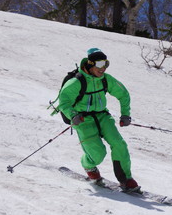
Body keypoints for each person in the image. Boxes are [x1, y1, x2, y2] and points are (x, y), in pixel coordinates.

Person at [57, 48, 139, 192]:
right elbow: (64, 102)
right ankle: (88, 164)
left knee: (119, 144)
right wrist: (73, 115)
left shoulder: (105, 79)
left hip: (102, 116)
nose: (103, 68)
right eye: (100, 64)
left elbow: (123, 94)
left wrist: (125, 114)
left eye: (106, 64)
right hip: (82, 120)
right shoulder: (77, 82)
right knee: (98, 154)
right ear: (90, 64)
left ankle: (126, 179)